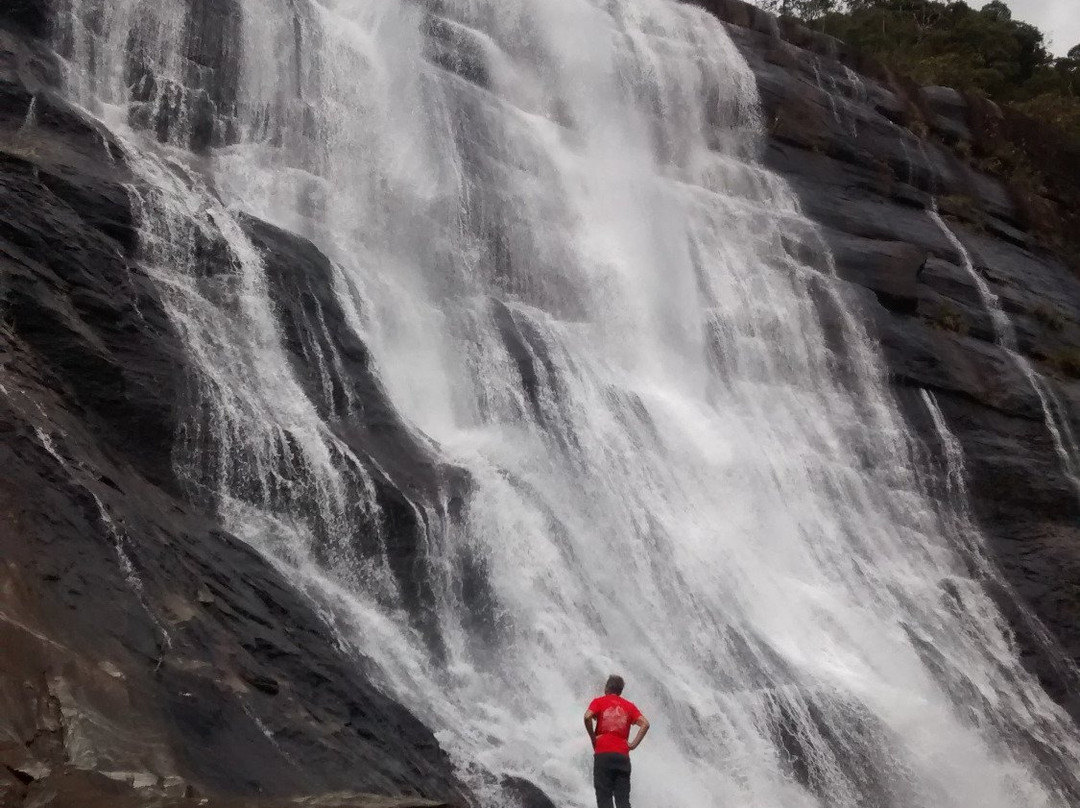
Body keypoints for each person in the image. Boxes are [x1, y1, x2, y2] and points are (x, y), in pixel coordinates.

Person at [584, 674, 650, 808]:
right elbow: (645, 724)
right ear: (620, 691)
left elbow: (587, 717)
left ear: (606, 688)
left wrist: (593, 738)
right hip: (622, 757)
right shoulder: (629, 706)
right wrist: (632, 745)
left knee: (604, 799)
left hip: (603, 754)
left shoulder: (599, 701)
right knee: (623, 801)